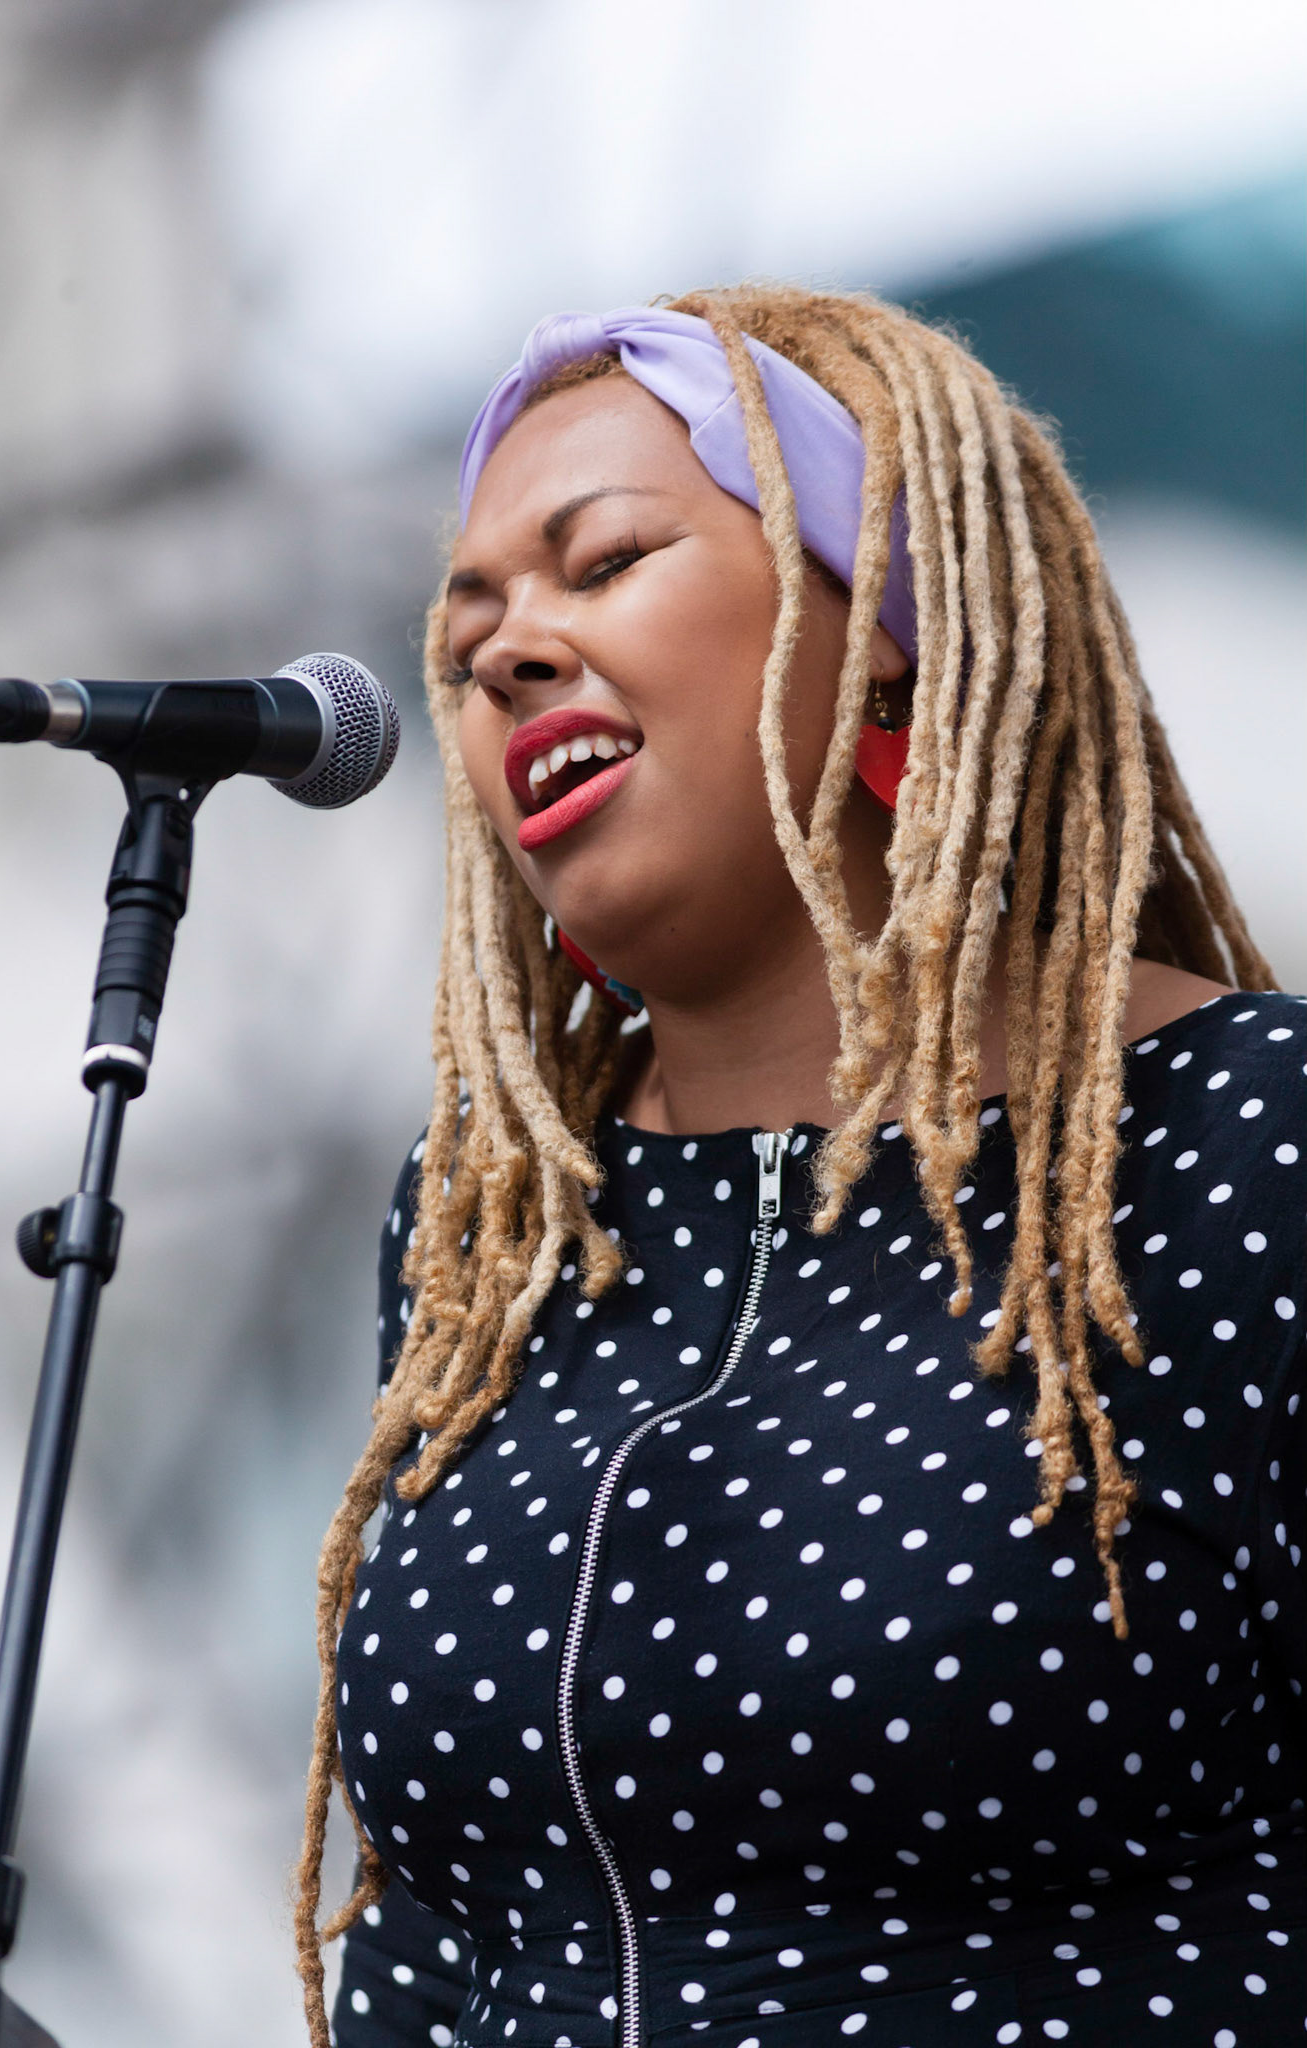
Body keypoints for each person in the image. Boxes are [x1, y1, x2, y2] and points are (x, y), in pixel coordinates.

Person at [294, 288, 1304, 2048]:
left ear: (899, 626)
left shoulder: (1242, 1143)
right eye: (465, 645)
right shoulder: (492, 1244)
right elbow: (437, 1946)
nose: (508, 651)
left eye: (600, 562)